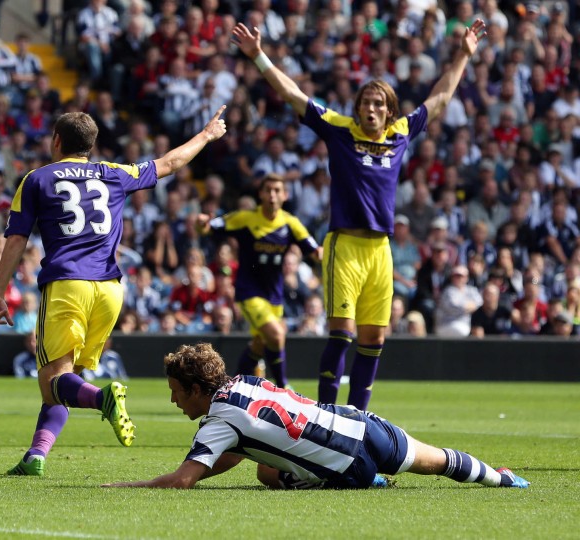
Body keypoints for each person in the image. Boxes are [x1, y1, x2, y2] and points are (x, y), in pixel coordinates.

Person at [232, 19, 488, 411]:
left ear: (388, 112)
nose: (371, 109)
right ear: (358, 108)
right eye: (366, 103)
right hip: (345, 246)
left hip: (380, 251)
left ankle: (357, 419)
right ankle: (326, 416)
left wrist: (463, 55)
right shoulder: (340, 129)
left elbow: (439, 100)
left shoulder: (399, 134)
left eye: (378, 104)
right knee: (342, 334)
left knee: (375, 339)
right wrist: (259, 57)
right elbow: (294, 94)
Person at [0, 106, 228, 476]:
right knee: (65, 381)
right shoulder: (114, 173)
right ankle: (36, 455)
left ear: (56, 141)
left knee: (53, 380)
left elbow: (17, 237)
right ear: (91, 145)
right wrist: (207, 135)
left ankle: (103, 398)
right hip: (111, 290)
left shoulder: (36, 179)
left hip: (68, 283)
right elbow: (169, 163)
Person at [103, 343, 529, 490]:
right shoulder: (247, 381)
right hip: (362, 423)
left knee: (267, 475)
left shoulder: (218, 421)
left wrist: (123, 483)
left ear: (197, 389)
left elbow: (182, 480)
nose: (175, 401)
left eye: (177, 392)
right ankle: (501, 478)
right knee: (437, 461)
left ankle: (373, 481)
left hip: (348, 469)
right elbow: (232, 452)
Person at [197, 174, 321, 387]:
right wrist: (201, 225)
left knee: (260, 345)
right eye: (268, 190)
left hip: (274, 294)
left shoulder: (291, 223)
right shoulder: (246, 218)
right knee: (276, 335)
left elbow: (313, 251)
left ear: (285, 195)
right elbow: (210, 227)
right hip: (249, 291)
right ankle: (283, 387)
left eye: (277, 190)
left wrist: (322, 253)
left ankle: (232, 386)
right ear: (261, 194)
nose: (272, 195)